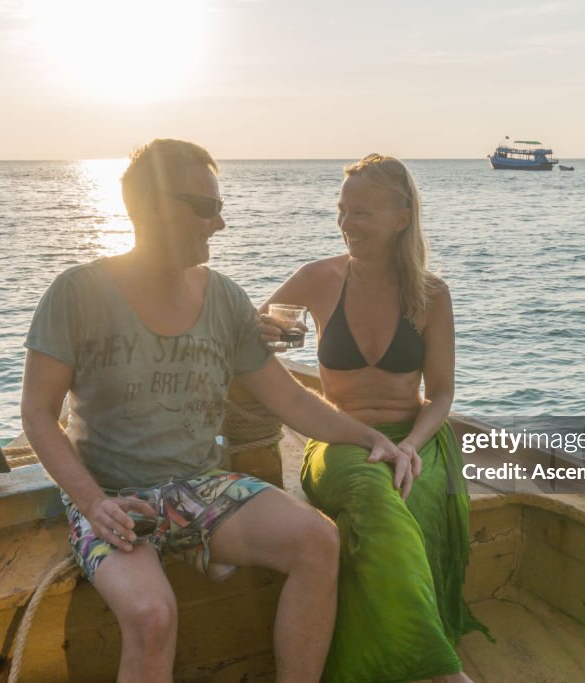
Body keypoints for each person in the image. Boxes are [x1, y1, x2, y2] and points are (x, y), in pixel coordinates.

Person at [21, 139, 412, 683]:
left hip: (200, 488)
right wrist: (89, 501)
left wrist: (372, 439)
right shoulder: (76, 293)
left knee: (319, 542)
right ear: (151, 206)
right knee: (152, 615)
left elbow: (290, 399)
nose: (220, 223)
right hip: (110, 496)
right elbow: (38, 415)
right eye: (206, 208)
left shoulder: (225, 298)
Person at [261, 154, 488, 683]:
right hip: (337, 438)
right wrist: (263, 339)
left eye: (361, 212)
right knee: (373, 493)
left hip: (416, 438)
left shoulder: (431, 294)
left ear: (401, 217)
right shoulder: (316, 279)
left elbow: (442, 393)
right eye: (342, 210)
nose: (346, 224)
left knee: (412, 496)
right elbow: (249, 335)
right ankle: (440, 673)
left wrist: (411, 445)